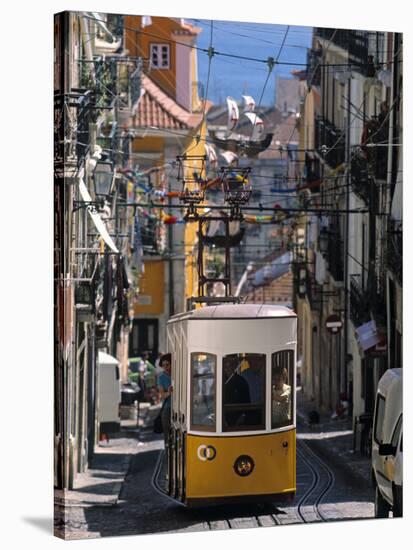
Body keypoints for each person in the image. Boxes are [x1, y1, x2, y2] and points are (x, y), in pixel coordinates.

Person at [223, 358, 250, 428]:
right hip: (222, 419)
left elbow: (246, 403)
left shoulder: (241, 382)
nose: (227, 369)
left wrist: (241, 418)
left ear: (234, 367)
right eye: (225, 367)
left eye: (229, 366)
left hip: (237, 422)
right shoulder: (220, 381)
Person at [157, 353, 172, 451]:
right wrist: (169, 392)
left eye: (167, 365)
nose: (165, 367)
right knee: (167, 436)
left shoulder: (176, 374)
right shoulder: (161, 378)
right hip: (167, 409)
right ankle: (167, 455)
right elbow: (162, 396)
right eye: (163, 365)